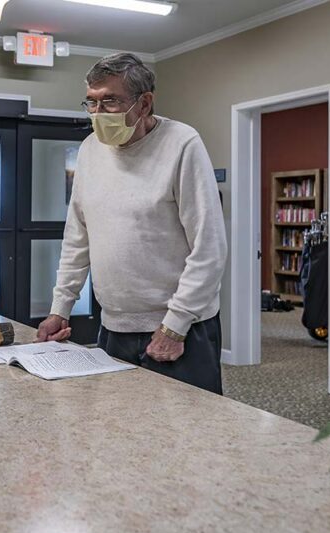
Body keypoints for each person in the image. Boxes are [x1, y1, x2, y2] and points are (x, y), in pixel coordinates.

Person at [36, 53, 228, 395]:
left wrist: (175, 325)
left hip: (180, 330)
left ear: (144, 103)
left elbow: (209, 247)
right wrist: (60, 308)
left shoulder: (182, 144)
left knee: (190, 440)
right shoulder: (89, 150)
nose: (98, 114)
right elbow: (77, 238)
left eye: (110, 101)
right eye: (91, 103)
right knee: (119, 432)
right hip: (113, 328)